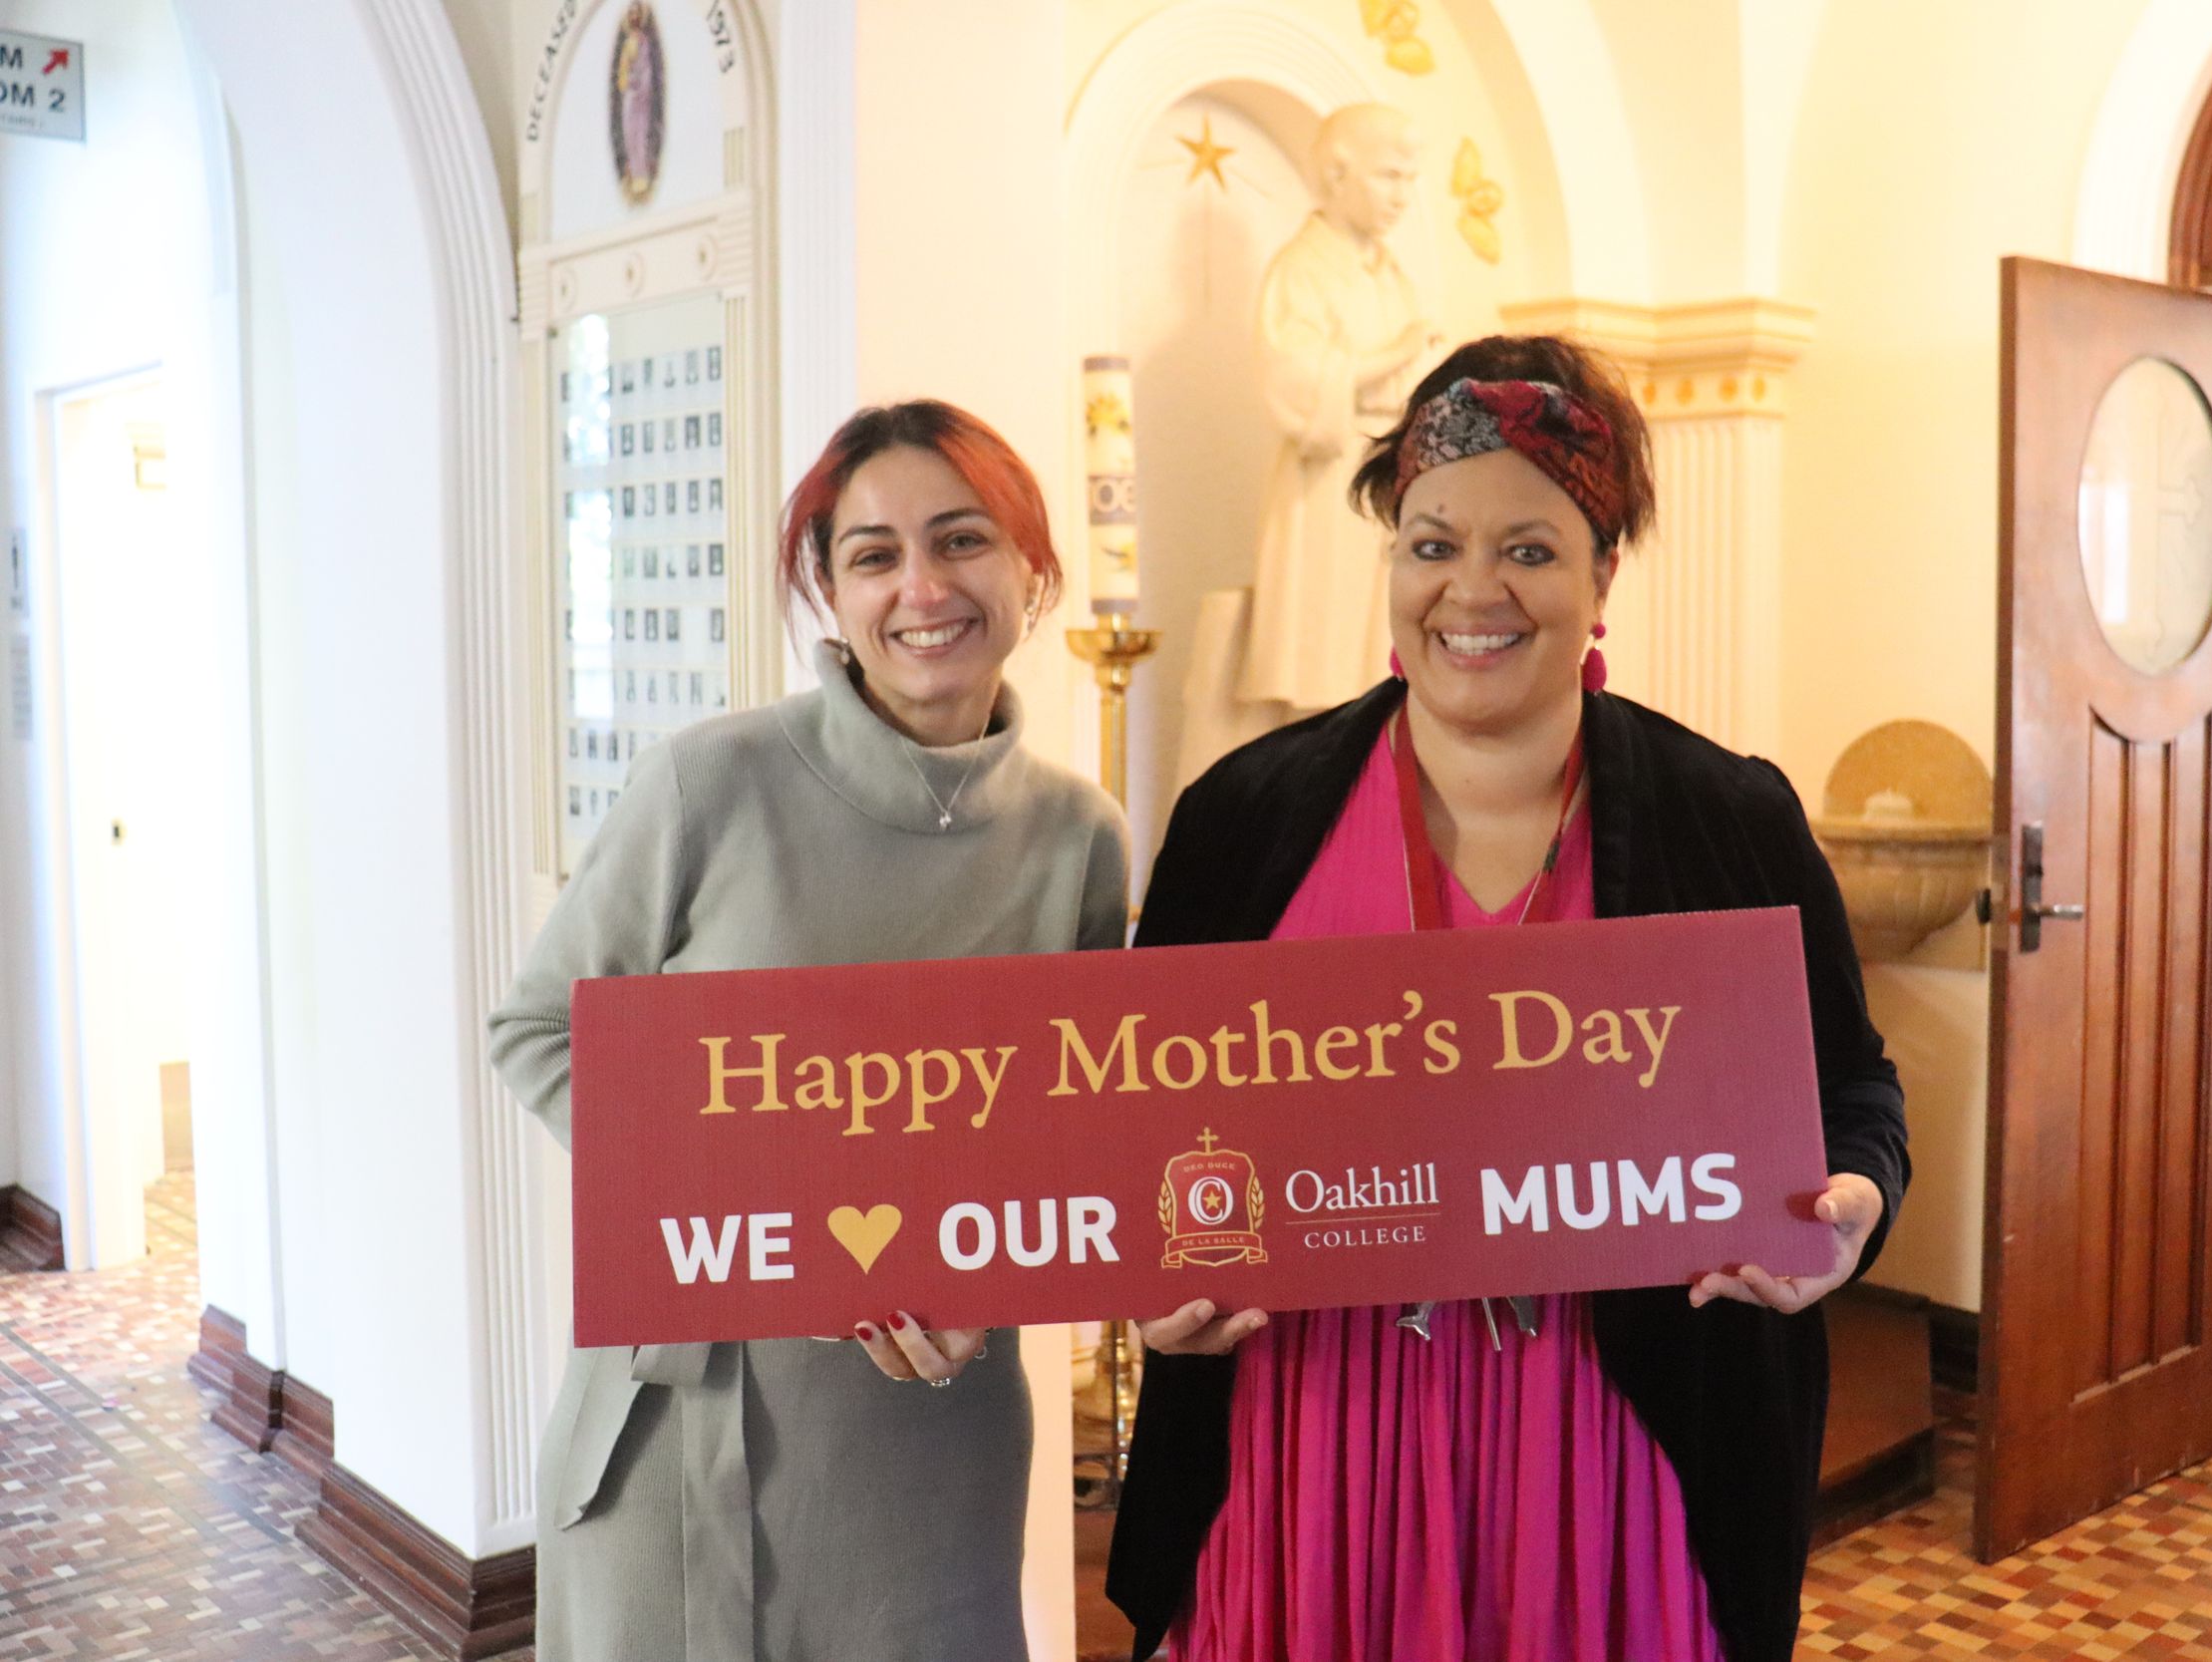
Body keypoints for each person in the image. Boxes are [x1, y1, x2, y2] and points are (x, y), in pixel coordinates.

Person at [1108, 337, 1909, 1662]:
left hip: (1611, 1467)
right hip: (1306, 1449)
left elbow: (1854, 1088)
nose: (1471, 589)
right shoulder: (1242, 820)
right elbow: (1142, 1127)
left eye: (1528, 549)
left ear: (1603, 574)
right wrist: (1145, 1271)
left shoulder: (1729, 819)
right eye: (1431, 543)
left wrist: (1850, 1210)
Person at [489, 400, 1129, 1662]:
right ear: (830, 591)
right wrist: (734, 1200)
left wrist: (998, 1288)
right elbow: (538, 1026)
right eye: (874, 555)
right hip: (689, 1430)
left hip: (929, 1437)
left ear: (1032, 569)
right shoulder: (709, 782)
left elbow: (1068, 1133)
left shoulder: (1079, 838)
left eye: (962, 539)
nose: (922, 588)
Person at [1237, 102, 1437, 715]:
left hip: (1395, 470)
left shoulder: (1392, 275)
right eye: (1389, 176)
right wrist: (1398, 351)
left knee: (1384, 654)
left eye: (1410, 178)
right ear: (1338, 173)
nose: (1402, 196)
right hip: (1330, 476)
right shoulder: (1302, 268)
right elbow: (1294, 380)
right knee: (1328, 658)